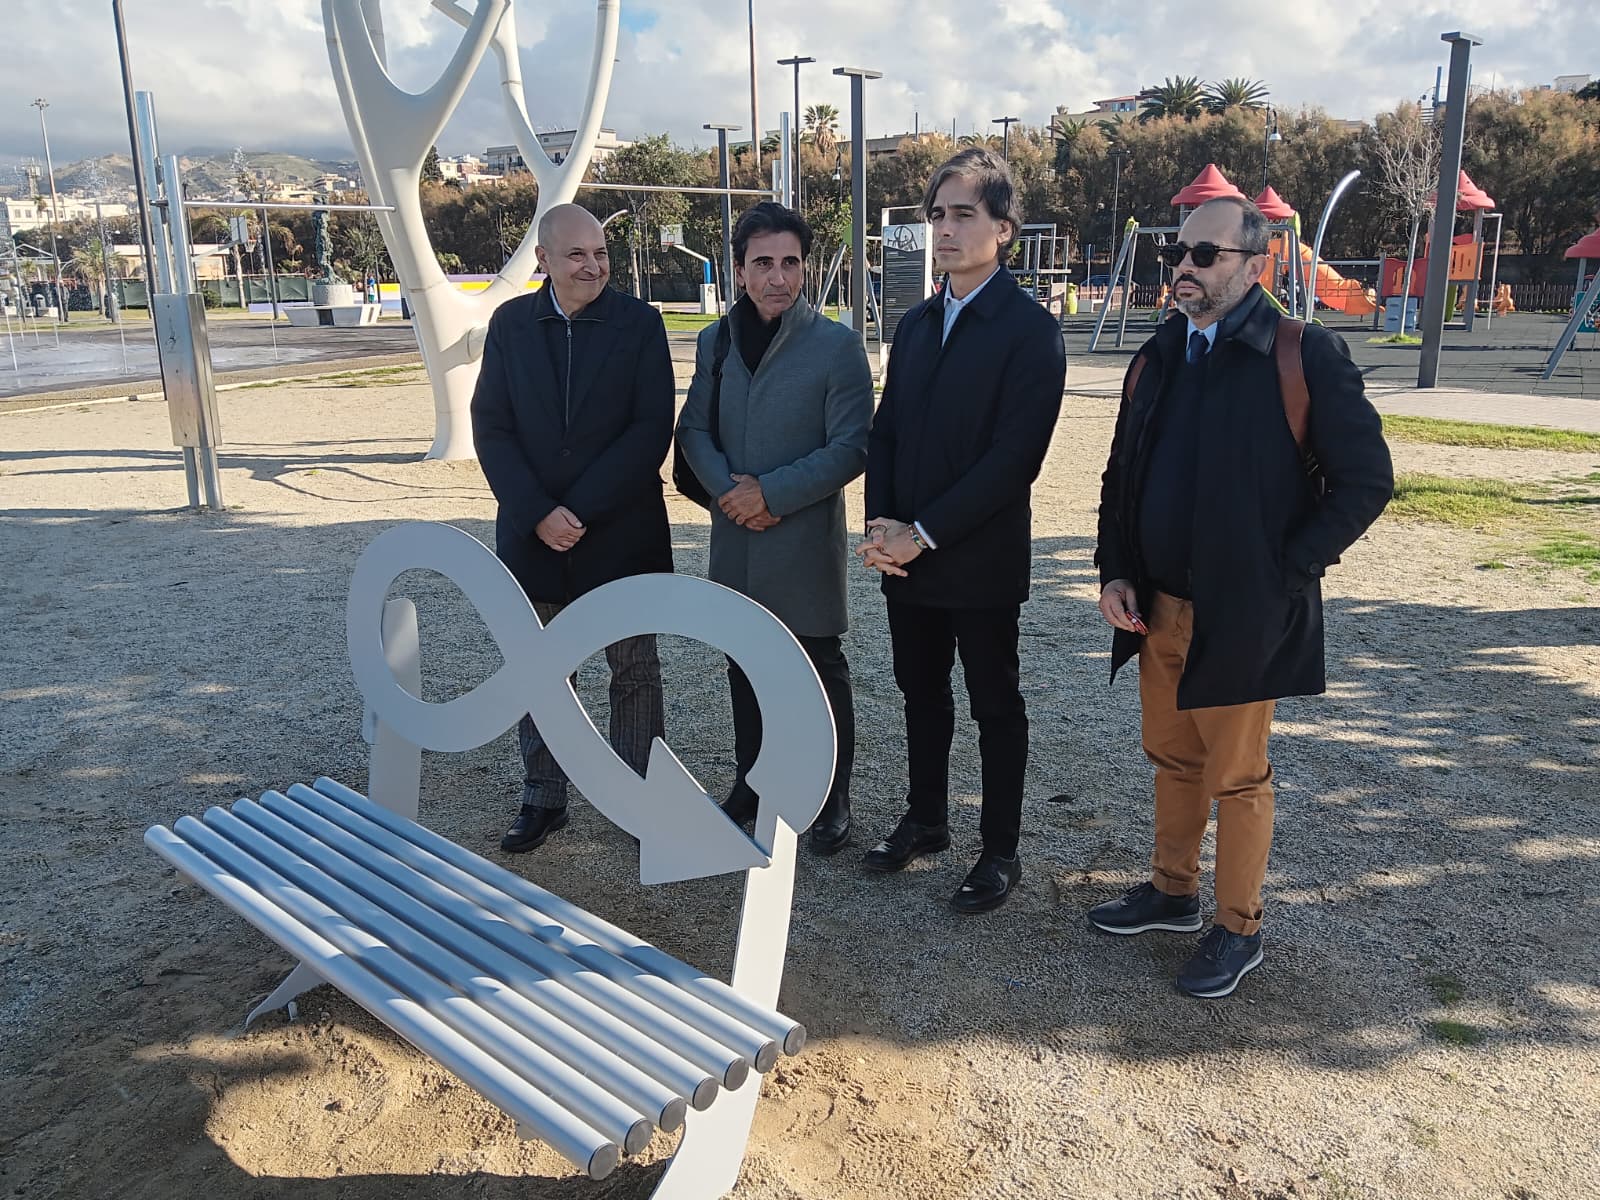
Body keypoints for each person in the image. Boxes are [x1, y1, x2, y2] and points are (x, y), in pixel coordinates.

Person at [1090, 195, 1393, 997]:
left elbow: (1366, 481)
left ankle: (1238, 927)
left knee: (1237, 777)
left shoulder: (1302, 353)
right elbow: (1122, 478)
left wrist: (1285, 570)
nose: (1184, 269)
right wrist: (1115, 570)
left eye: (1205, 256)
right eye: (1176, 255)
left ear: (1256, 265)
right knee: (1173, 758)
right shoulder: (1157, 356)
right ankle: (1172, 890)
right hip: (1156, 605)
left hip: (1243, 613)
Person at [855, 148, 1066, 912]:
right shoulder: (914, 326)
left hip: (976, 559)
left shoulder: (1029, 332)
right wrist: (881, 525)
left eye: (963, 215)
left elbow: (1014, 460)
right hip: (906, 557)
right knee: (920, 693)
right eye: (936, 215)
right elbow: (888, 433)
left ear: (1004, 229)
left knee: (993, 703)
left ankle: (1000, 849)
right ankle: (927, 817)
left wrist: (925, 532)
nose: (944, 229)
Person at [470, 203, 675, 854]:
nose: (593, 265)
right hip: (535, 534)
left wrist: (580, 509)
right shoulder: (509, 325)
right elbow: (492, 428)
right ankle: (543, 797)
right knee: (541, 670)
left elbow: (649, 430)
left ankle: (637, 796)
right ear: (545, 261)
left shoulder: (639, 324)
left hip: (619, 528)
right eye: (577, 254)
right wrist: (537, 512)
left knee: (634, 669)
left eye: (600, 253)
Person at [676, 202, 873, 854]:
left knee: (819, 669)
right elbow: (693, 429)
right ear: (739, 269)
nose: (778, 277)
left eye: (791, 262)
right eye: (763, 263)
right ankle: (752, 783)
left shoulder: (837, 346)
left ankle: (832, 795)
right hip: (736, 534)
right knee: (743, 661)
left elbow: (850, 447)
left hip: (801, 540)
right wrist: (732, 492)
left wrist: (773, 494)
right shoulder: (716, 341)